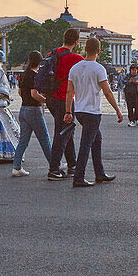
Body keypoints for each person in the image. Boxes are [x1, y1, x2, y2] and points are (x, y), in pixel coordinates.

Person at [64, 37, 123, 187]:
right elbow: (108, 92)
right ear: (98, 51)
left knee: (96, 139)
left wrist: (68, 111)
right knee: (86, 143)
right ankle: (79, 177)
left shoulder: (75, 68)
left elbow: (69, 92)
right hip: (93, 111)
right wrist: (117, 110)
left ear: (85, 49)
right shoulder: (98, 69)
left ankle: (100, 173)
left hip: (80, 110)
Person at [45, 29, 83, 180]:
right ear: (76, 41)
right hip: (64, 99)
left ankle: (72, 164)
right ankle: (54, 168)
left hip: (50, 98)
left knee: (66, 130)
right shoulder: (76, 58)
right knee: (62, 133)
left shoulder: (51, 54)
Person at [12, 50, 51, 176]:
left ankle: (16, 167)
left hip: (23, 109)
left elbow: (20, 92)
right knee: (44, 139)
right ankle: (54, 165)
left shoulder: (24, 74)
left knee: (23, 140)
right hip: (34, 110)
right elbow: (34, 94)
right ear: (40, 62)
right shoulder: (35, 75)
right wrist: (47, 101)